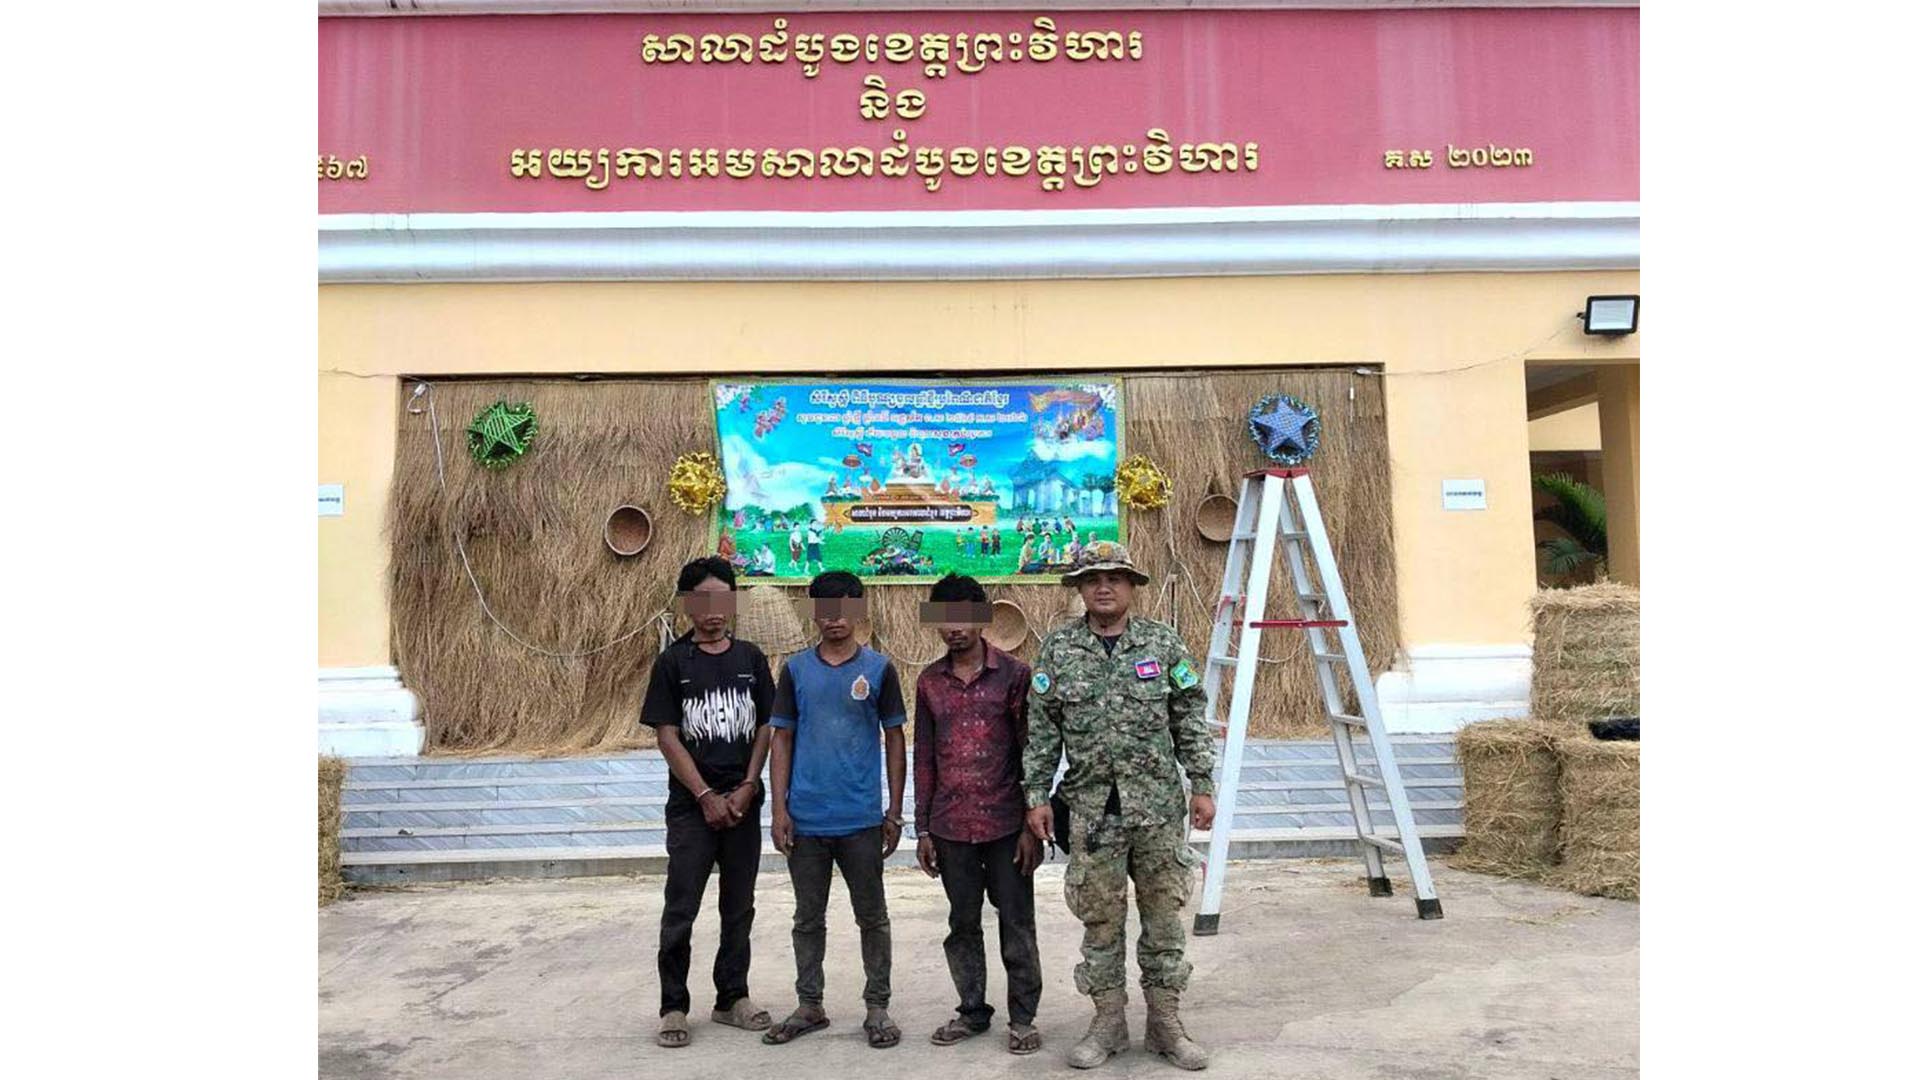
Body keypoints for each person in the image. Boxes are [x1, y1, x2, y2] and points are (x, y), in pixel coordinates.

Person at [1023, 541, 1216, 1071]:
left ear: (1132, 586)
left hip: (1157, 810)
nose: (1103, 587)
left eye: (1114, 578)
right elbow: (1042, 730)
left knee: (1164, 920)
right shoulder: (1059, 650)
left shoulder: (1162, 643)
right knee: (1100, 923)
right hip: (1092, 813)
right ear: (1080, 589)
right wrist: (1036, 795)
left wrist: (1202, 782)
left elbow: (1189, 716)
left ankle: (1165, 1023)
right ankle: (1108, 1023)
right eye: (1092, 579)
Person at [763, 571, 909, 1050]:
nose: (834, 620)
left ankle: (878, 1007)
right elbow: (781, 738)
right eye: (825, 610)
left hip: (861, 820)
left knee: (873, 917)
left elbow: (894, 738)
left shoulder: (880, 670)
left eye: (844, 609)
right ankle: (810, 1004)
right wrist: (779, 809)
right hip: (806, 820)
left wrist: (894, 810)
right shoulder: (796, 671)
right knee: (808, 918)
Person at [640, 557, 776, 1049]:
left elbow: (766, 724)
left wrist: (749, 784)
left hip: (743, 803)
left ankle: (731, 997)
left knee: (739, 906)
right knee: (682, 907)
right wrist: (702, 794)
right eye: (704, 599)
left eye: (723, 599)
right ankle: (673, 1005)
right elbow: (667, 735)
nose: (714, 610)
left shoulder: (751, 659)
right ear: (687, 604)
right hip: (691, 808)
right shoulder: (673, 663)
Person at [913, 575, 1045, 1055]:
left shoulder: (1015, 675)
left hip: (1007, 824)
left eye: (965, 617)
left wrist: (1032, 824)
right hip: (951, 825)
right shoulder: (929, 682)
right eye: (945, 619)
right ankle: (972, 1011)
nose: (955, 628)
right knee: (962, 923)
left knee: (1017, 922)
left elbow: (1032, 751)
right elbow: (924, 757)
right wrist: (923, 828)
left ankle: (1023, 1019)